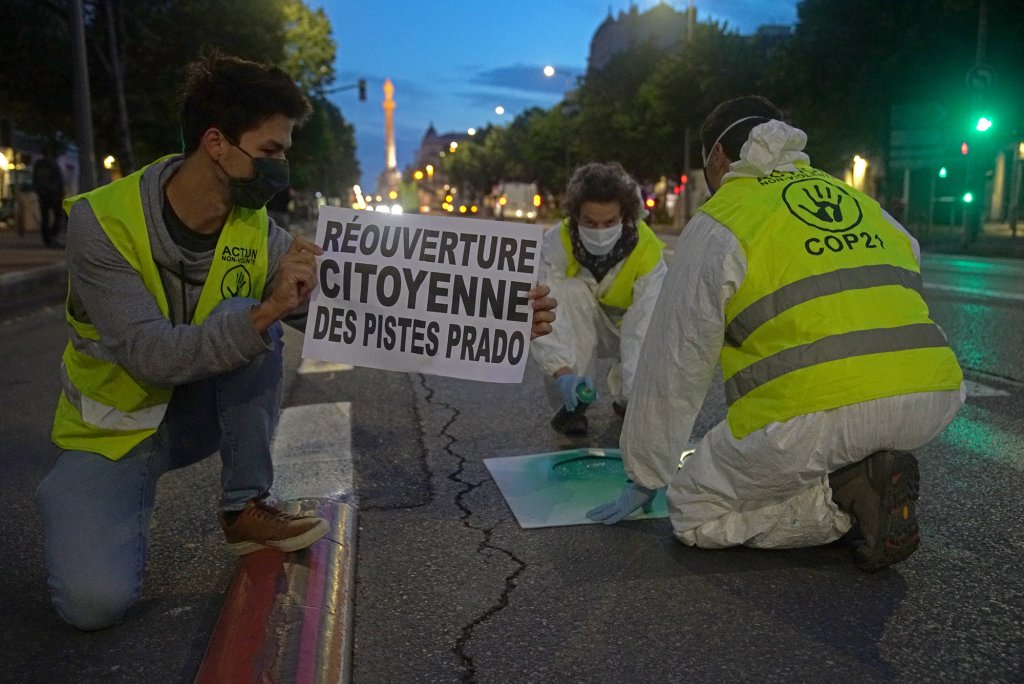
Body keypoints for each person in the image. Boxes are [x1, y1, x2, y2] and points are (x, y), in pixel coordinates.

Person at [34, 52, 558, 631]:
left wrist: (498, 315)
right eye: (271, 151)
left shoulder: (255, 229)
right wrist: (268, 311)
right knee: (93, 606)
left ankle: (244, 507)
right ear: (216, 142)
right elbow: (149, 354)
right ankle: (84, 494)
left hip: (197, 417)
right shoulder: (102, 224)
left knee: (249, 318)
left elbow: (358, 304)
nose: (282, 166)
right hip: (115, 434)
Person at [587, 95, 964, 573]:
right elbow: (906, 262)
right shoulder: (856, 199)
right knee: (810, 452)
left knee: (694, 511)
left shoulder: (724, 218)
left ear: (719, 157)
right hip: (931, 394)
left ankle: (841, 504)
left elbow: (676, 362)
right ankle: (861, 473)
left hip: (817, 417)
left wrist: (645, 474)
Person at [531, 162, 666, 436]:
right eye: (590, 223)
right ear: (575, 216)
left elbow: (645, 325)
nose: (600, 231)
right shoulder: (558, 241)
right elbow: (543, 307)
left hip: (629, 324)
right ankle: (572, 403)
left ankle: (627, 398)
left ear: (625, 216)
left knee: (645, 325)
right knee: (567, 291)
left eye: (610, 222)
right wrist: (562, 372)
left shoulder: (647, 248)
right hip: (586, 319)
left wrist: (635, 398)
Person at [32, 154, 65, 247]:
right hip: (53, 194)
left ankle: (48, 238)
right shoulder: (53, 165)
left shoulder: (39, 165)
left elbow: (35, 179)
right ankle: (51, 237)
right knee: (57, 216)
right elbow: (58, 180)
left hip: (44, 194)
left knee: (45, 217)